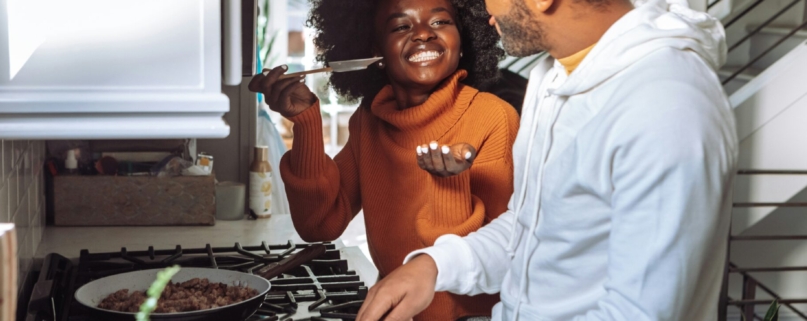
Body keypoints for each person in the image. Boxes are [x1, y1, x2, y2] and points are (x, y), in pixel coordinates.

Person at [356, 0, 739, 318]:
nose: (486, 12)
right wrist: (436, 266)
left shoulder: (667, 106)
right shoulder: (551, 77)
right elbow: (534, 226)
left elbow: (638, 312)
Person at [247, 0, 520, 319]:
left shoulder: (493, 117)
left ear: (463, 41)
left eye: (440, 23)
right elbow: (320, 224)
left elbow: (504, 253)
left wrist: (450, 185)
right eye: (402, 26)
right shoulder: (370, 120)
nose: (423, 35)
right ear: (375, 52)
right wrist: (306, 123)